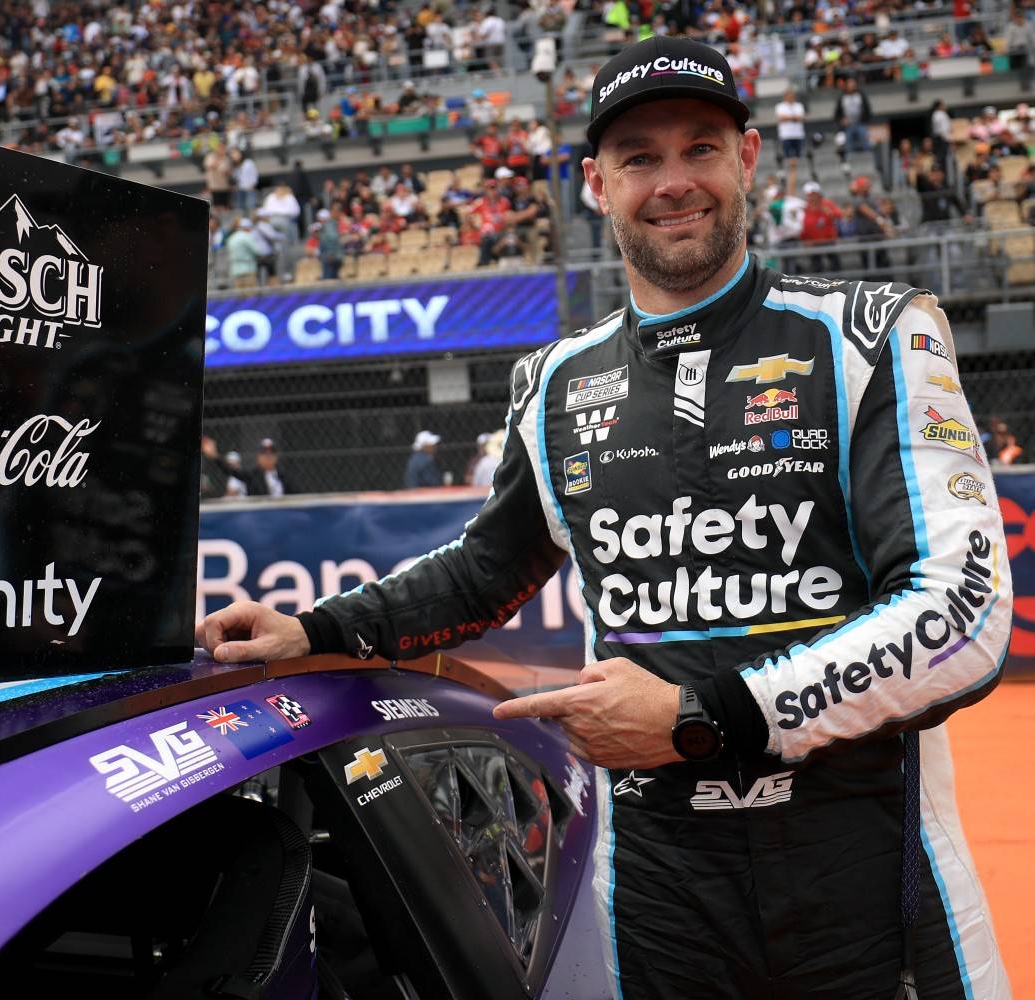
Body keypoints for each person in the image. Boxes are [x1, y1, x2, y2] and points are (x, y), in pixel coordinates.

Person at [196, 36, 1011, 1000]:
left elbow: (961, 614)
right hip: (658, 889)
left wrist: (705, 719)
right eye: (640, 158)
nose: (674, 182)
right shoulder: (553, 383)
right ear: (595, 182)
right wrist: (317, 627)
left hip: (868, 874)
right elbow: (481, 575)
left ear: (748, 157)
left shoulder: (874, 332)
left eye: (700, 147)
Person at [835, 75, 873, 154]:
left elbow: (867, 110)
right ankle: (849, 160)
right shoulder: (842, 97)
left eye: (852, 84)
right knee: (847, 143)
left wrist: (865, 120)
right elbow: (837, 114)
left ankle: (866, 157)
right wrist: (842, 120)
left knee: (864, 138)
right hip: (848, 125)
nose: (851, 86)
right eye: (849, 84)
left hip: (860, 123)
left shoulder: (860, 95)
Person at [774, 85, 806, 165]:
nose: (791, 97)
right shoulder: (780, 106)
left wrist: (788, 117)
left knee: (796, 160)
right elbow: (781, 118)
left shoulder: (799, 105)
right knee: (789, 160)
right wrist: (794, 118)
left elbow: (802, 118)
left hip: (798, 135)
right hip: (786, 136)